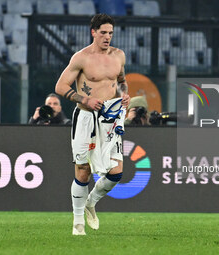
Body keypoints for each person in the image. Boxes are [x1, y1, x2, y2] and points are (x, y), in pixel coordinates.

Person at [55, 14, 130, 235]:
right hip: (86, 117)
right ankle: (78, 223)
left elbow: (122, 81)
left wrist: (124, 95)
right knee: (83, 170)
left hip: (110, 119)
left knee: (116, 173)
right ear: (94, 32)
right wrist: (85, 99)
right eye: (104, 32)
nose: (108, 37)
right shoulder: (82, 58)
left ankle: (90, 202)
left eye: (111, 33)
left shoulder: (119, 56)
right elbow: (60, 86)